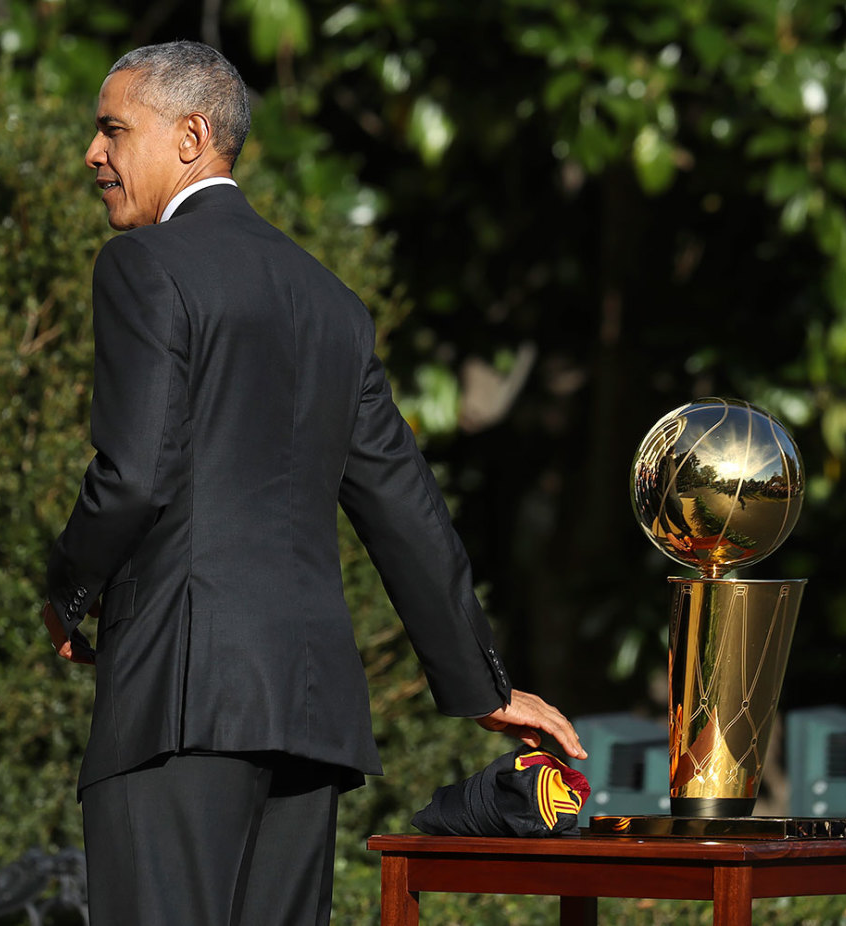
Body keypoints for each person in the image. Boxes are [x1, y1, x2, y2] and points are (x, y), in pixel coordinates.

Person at [41, 40, 585, 926]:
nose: (92, 155)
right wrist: (481, 685)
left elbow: (133, 476)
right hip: (306, 714)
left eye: (111, 129)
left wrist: (67, 590)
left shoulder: (143, 266)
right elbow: (404, 506)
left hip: (179, 707)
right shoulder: (331, 301)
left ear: (190, 137)